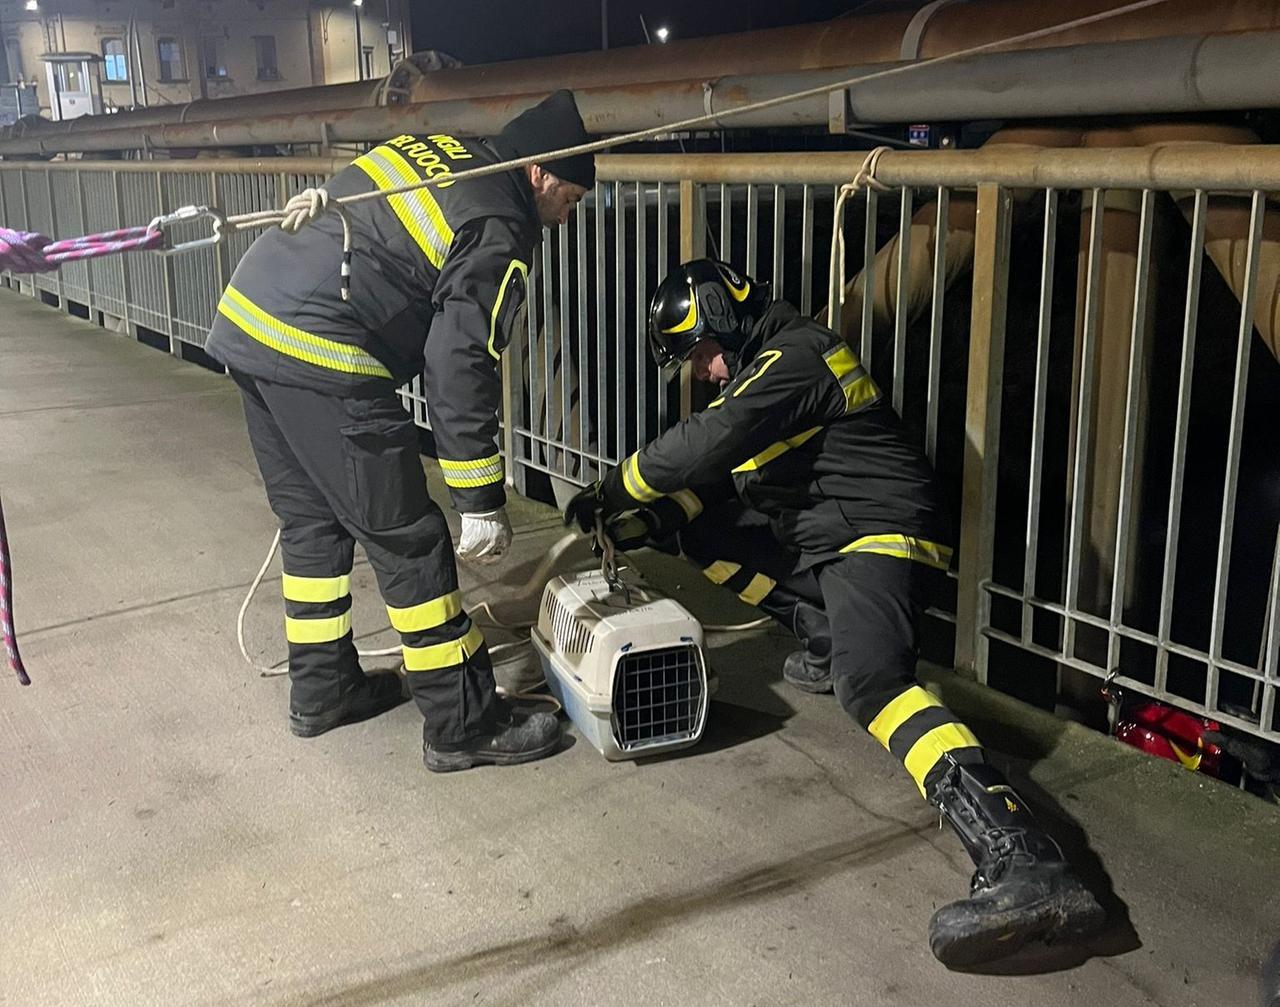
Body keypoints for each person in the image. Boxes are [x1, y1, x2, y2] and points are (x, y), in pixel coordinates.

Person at [565, 258, 1105, 966]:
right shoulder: (767, 372)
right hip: (836, 537)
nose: (705, 372)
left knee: (871, 684)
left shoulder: (797, 356)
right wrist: (648, 521)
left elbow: (710, 441)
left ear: (721, 315)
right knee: (694, 529)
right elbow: (722, 482)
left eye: (702, 353)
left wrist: (617, 488)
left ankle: (1025, 858)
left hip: (881, 537)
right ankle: (826, 635)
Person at [206, 91, 594, 772]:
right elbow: (459, 359)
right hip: (321, 347)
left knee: (313, 522)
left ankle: (323, 688)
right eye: (573, 195)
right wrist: (478, 497)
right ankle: (462, 720)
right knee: (410, 538)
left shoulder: (442, 149)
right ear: (540, 175)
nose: (571, 212)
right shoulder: (501, 222)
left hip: (251, 317)